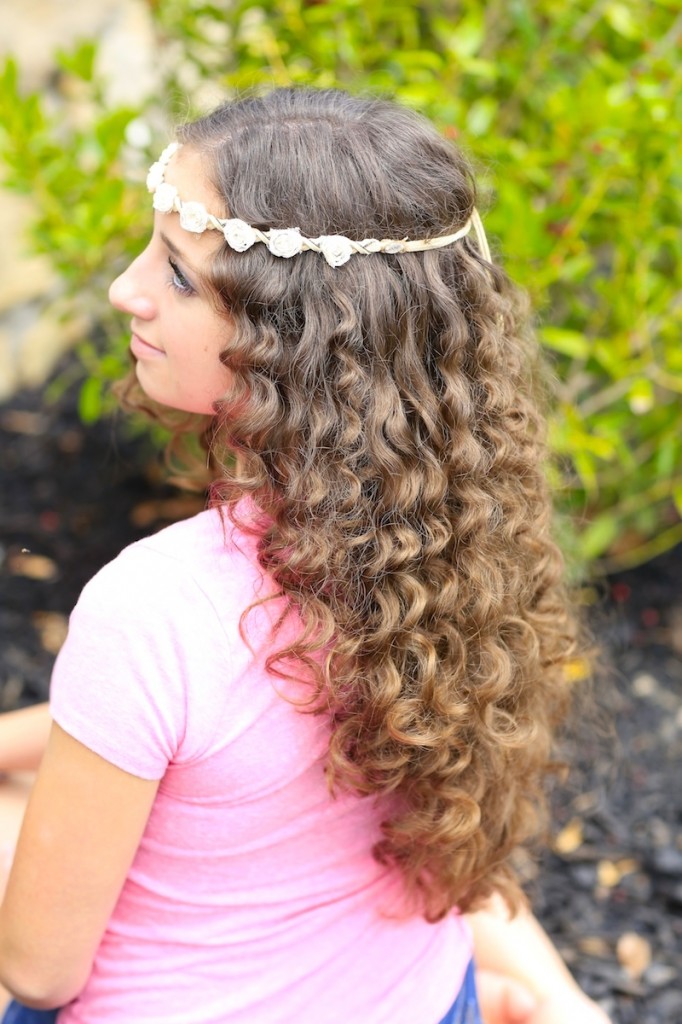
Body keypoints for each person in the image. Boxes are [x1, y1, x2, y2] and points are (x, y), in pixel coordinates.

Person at [0, 89, 611, 1024]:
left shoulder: (153, 607)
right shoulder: (450, 539)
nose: (125, 289)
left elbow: (39, 971)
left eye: (176, 274)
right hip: (419, 998)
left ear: (290, 339)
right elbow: (226, 722)